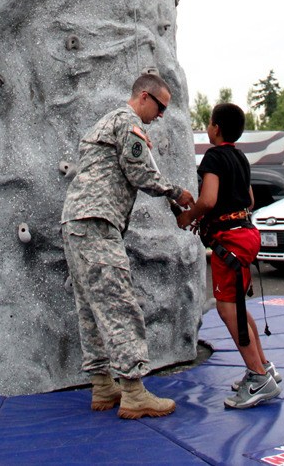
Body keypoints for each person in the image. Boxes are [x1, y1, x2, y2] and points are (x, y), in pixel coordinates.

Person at [61, 72, 195, 419]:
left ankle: (103, 386)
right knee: (120, 305)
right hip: (97, 223)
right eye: (161, 106)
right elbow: (140, 174)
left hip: (76, 223)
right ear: (145, 97)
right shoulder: (128, 122)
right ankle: (134, 392)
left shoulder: (105, 123)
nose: (162, 115)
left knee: (91, 307)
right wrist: (175, 192)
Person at [177, 102, 282, 409]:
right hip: (247, 234)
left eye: (208, 123)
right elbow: (248, 198)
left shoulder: (214, 156)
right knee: (236, 305)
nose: (207, 128)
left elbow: (208, 200)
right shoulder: (239, 157)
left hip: (230, 241)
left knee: (226, 309)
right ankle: (264, 366)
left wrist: (189, 217)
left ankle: (257, 375)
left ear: (216, 128)